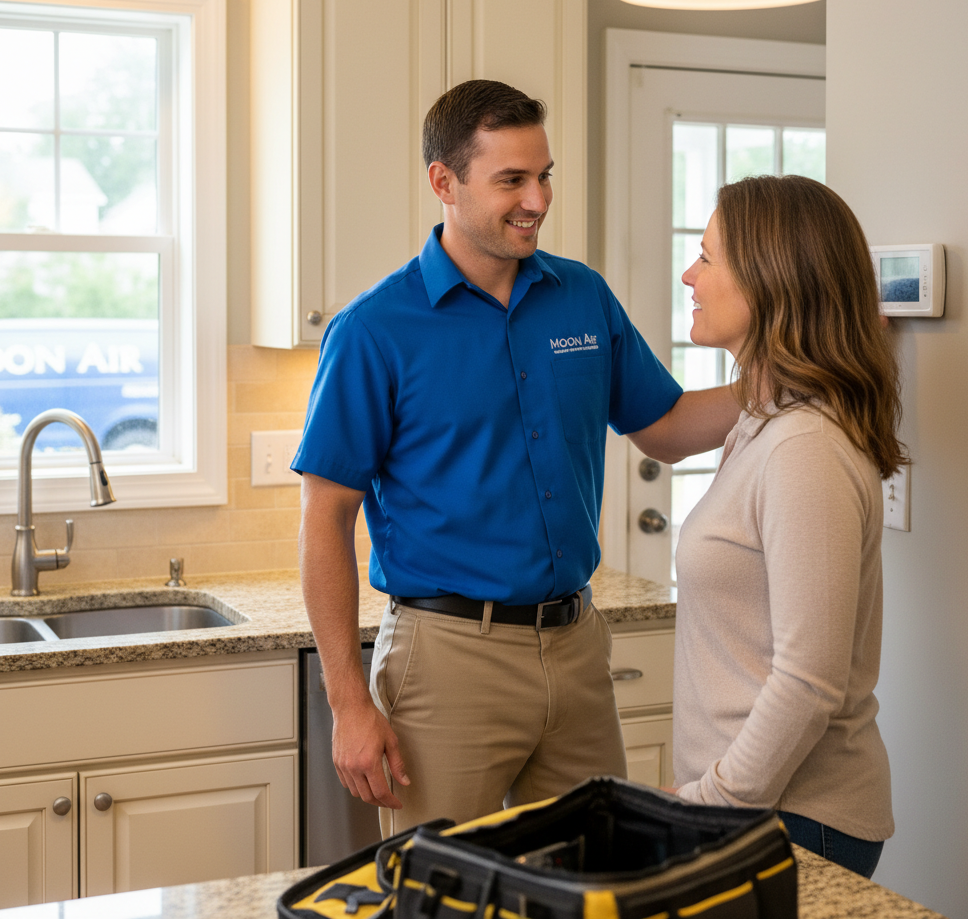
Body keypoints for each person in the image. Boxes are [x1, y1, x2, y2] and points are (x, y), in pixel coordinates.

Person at [292, 79, 740, 836]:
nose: (537, 200)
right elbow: (324, 518)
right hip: (447, 661)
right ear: (444, 182)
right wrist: (348, 701)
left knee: (595, 872)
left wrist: (787, 378)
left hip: (577, 647)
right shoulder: (374, 331)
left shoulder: (583, 297)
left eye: (544, 175)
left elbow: (664, 426)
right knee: (444, 887)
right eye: (511, 180)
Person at [670, 174, 905, 879]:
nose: (689, 275)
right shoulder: (762, 422)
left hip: (795, 818)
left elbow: (809, 680)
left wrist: (710, 804)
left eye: (707, 257)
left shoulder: (805, 449)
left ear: (768, 280)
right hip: (756, 810)